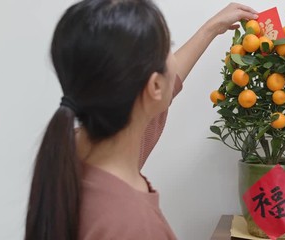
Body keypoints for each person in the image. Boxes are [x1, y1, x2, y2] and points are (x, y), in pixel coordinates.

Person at [24, 0, 258, 239]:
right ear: (154, 86)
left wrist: (210, 29)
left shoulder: (72, 154)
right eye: (170, 47)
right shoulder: (133, 225)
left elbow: (165, 86)